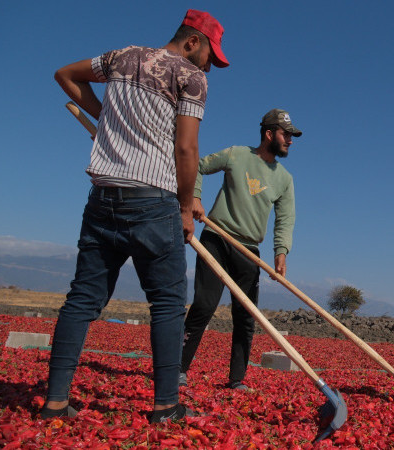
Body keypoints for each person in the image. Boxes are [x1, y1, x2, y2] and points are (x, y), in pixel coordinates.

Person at [43, 10, 230, 423]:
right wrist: (185, 206)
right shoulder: (190, 76)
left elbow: (65, 75)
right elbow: (187, 150)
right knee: (165, 303)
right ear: (193, 42)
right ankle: (166, 405)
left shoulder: (121, 57)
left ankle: (54, 401)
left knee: (82, 299)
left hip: (103, 197)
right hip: (153, 201)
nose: (209, 67)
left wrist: (104, 117)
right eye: (210, 57)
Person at [179, 109, 300, 390]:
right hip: (217, 238)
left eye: (292, 136)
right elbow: (197, 166)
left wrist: (281, 252)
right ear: (269, 134)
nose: (290, 141)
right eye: (286, 134)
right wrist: (194, 197)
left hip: (248, 250)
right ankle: (178, 368)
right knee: (204, 305)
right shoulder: (236, 154)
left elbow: (286, 219)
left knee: (246, 316)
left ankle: (236, 379)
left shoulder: (284, 179)